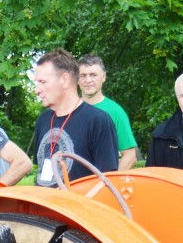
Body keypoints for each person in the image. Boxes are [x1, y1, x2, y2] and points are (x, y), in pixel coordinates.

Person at [31, 48, 118, 187]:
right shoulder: (42, 121)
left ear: (65, 80)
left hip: (74, 208)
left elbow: (106, 182)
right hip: (42, 207)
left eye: (43, 82)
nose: (37, 90)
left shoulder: (98, 121)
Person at [78, 54, 138, 170]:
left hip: (103, 184)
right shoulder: (69, 109)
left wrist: (108, 182)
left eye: (93, 75)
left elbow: (130, 156)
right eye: (83, 76)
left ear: (103, 77)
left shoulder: (115, 112)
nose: (88, 80)